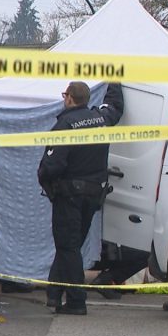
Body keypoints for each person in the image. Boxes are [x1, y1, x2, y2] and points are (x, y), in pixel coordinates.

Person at [38, 81, 124, 315]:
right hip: (93, 195)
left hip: (69, 196)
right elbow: (115, 107)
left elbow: (51, 166)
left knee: (67, 246)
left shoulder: (65, 125)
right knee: (71, 247)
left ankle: (76, 301)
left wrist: (48, 184)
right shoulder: (100, 119)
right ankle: (54, 294)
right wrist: (115, 80)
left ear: (68, 98)